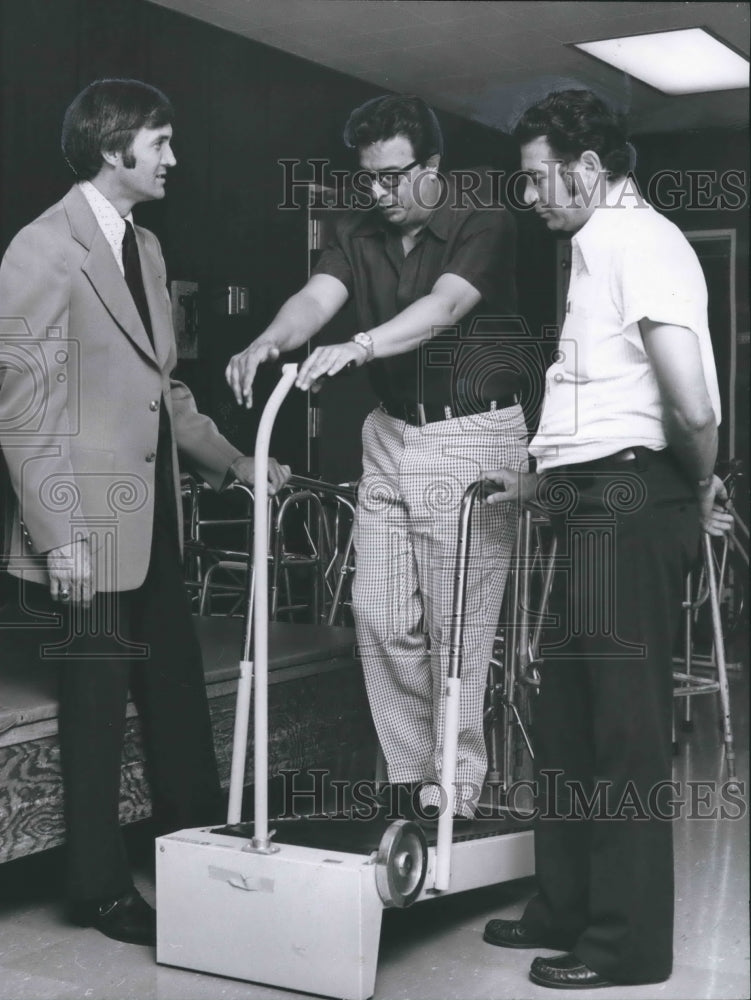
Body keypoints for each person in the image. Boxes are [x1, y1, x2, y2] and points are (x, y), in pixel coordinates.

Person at [0, 78, 289, 946]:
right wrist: (58, 540)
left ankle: (198, 855)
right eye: (160, 143)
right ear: (113, 146)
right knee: (93, 708)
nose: (173, 159)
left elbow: (165, 390)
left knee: (175, 695)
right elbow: (21, 407)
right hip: (83, 527)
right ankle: (97, 890)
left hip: (154, 516)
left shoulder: (147, 248)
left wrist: (236, 460)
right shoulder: (41, 250)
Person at [482, 90, 732, 989]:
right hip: (590, 493)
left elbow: (692, 403)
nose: (532, 197)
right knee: (567, 717)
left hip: (630, 492)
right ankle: (565, 906)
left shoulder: (642, 241)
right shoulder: (598, 245)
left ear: (587, 169)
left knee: (623, 728)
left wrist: (695, 480)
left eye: (539, 180)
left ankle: (626, 947)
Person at [226, 95, 526, 819]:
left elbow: (446, 308)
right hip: (389, 433)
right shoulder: (358, 231)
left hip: (471, 435)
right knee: (378, 612)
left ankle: (451, 790)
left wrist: (361, 345)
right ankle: (408, 778)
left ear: (432, 166)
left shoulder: (480, 215)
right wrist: (271, 338)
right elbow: (314, 296)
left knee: (459, 627)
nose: (380, 193)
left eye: (394, 177)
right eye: (369, 178)